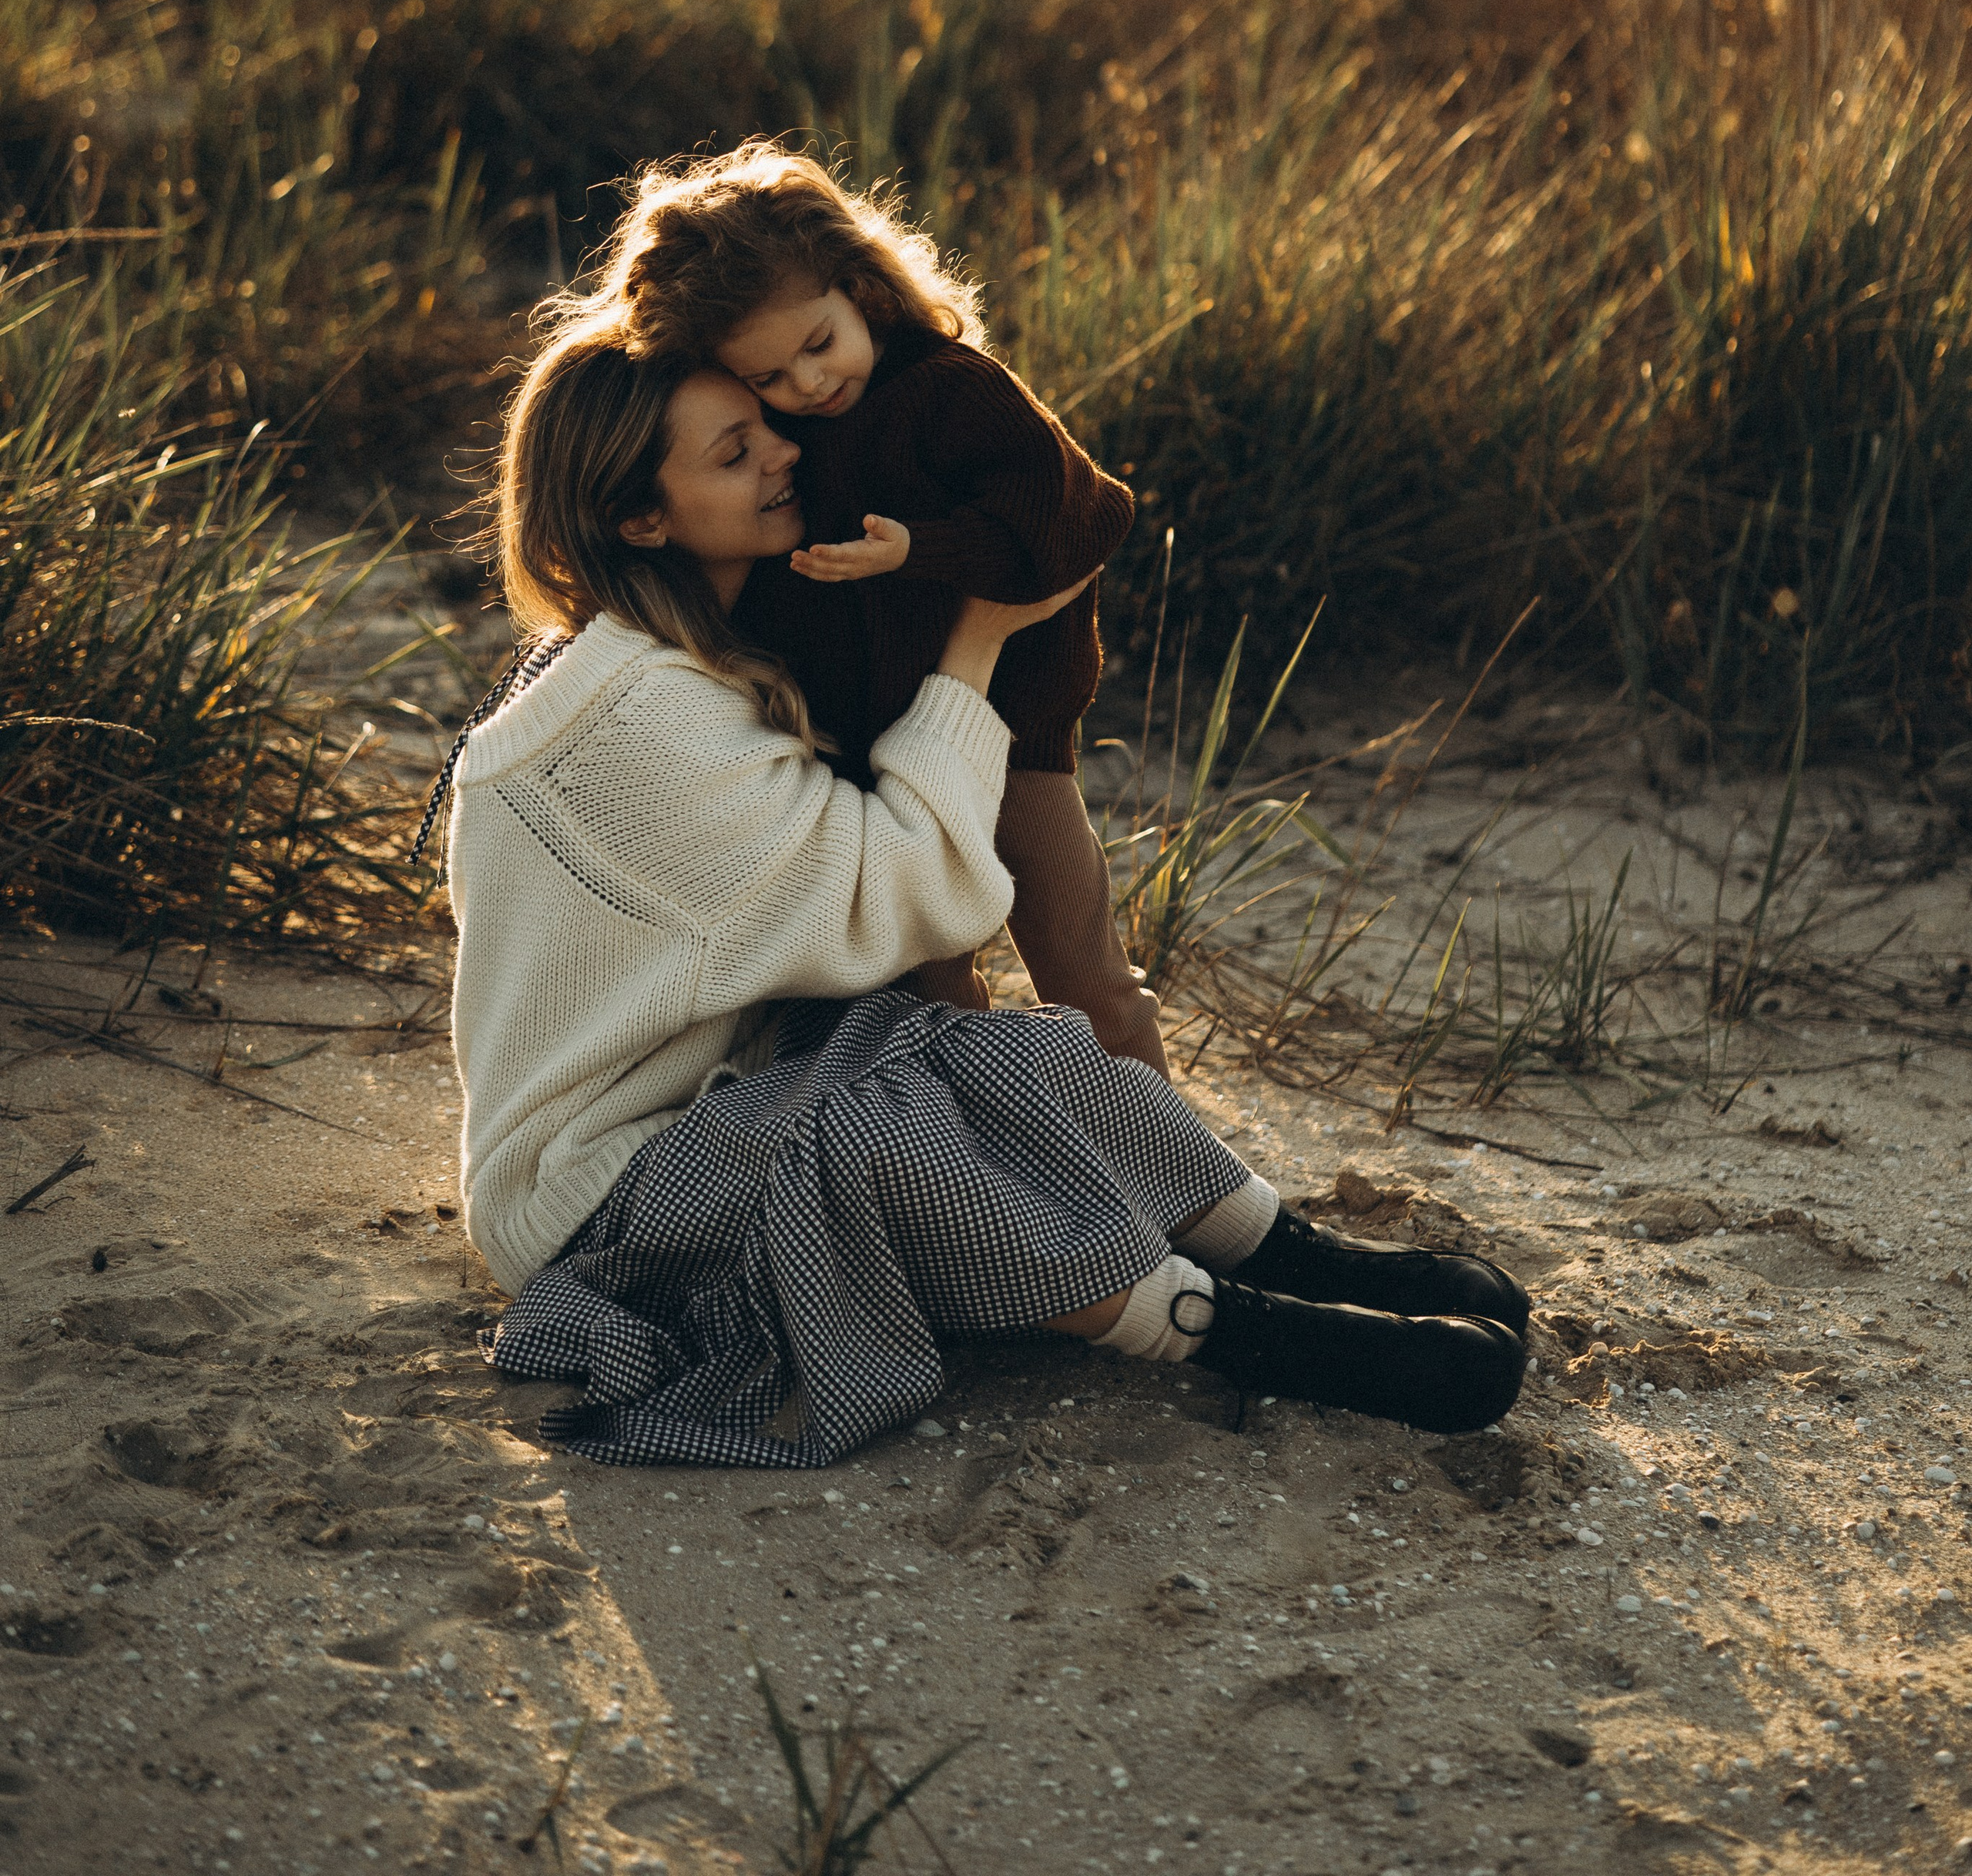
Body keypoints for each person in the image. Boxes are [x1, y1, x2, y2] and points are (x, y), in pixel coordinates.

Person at [436, 290, 1530, 1472]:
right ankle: (1236, 1330)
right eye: (736, 450)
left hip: (714, 1109)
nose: (786, 452)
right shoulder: (636, 718)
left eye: (768, 430)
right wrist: (975, 639)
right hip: (588, 1197)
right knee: (863, 1129)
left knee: (982, 1049)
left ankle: (1268, 1244)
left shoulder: (670, 663)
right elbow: (915, 888)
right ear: (642, 518)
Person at [586, 142, 1167, 1075]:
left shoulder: (952, 390)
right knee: (925, 996)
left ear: (863, 288)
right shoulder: (783, 432)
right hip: (868, 761)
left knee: (1084, 972)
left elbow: (1086, 514)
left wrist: (921, 550)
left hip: (1009, 735)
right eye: (770, 378)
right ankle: (991, 1157)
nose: (807, 387)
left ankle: (1176, 1179)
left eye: (818, 347)